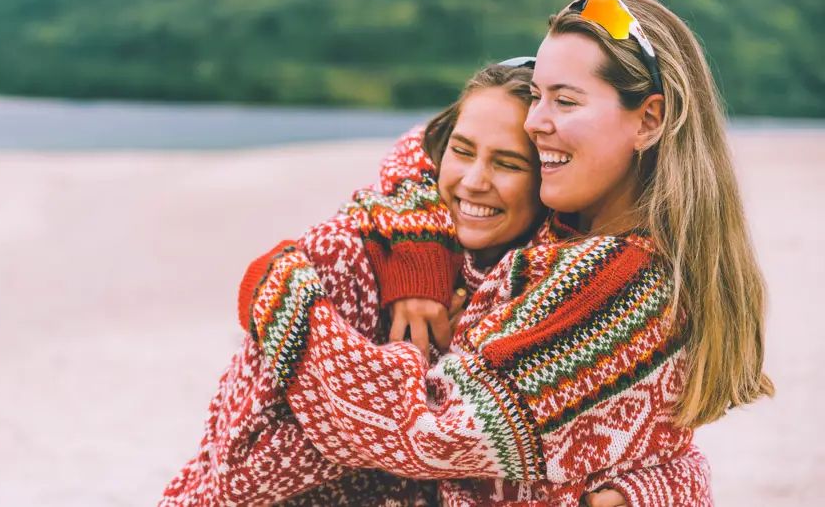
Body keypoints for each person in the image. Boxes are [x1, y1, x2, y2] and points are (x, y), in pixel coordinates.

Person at [238, 0, 772, 505]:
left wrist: (282, 299)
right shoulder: (572, 222)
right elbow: (423, 149)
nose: (536, 122)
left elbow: (428, 432)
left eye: (564, 100)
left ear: (649, 120)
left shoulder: (622, 281)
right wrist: (421, 252)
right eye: (537, 95)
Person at [161, 54, 711, 505]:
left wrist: (669, 484)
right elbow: (241, 471)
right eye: (462, 151)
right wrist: (282, 295)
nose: (474, 181)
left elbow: (629, 435)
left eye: (510, 164)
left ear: (550, 169)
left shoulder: (554, 276)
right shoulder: (357, 252)